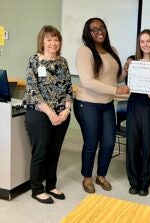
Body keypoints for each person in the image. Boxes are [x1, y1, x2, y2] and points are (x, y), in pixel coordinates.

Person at [73, 17, 129, 194]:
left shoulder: (112, 50)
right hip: (87, 103)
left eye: (102, 27)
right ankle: (87, 177)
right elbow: (88, 82)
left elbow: (116, 77)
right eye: (94, 29)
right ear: (88, 33)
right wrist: (116, 90)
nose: (99, 31)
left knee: (109, 142)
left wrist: (126, 69)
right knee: (91, 143)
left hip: (106, 104)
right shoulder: (85, 51)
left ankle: (101, 176)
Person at [23, 25, 73, 204]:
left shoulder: (63, 62)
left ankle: (51, 185)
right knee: (41, 152)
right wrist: (51, 113)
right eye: (49, 39)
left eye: (56, 39)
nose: (53, 43)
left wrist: (67, 109)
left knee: (55, 152)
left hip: (62, 115)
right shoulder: (34, 60)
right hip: (39, 113)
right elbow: (33, 91)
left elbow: (68, 87)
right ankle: (37, 189)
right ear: (42, 42)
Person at [126, 29, 150, 196]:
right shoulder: (133, 61)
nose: (145, 44)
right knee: (133, 145)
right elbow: (126, 83)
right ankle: (134, 182)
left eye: (148, 41)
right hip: (134, 105)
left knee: (148, 145)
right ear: (138, 44)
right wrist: (126, 69)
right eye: (142, 41)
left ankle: (144, 183)